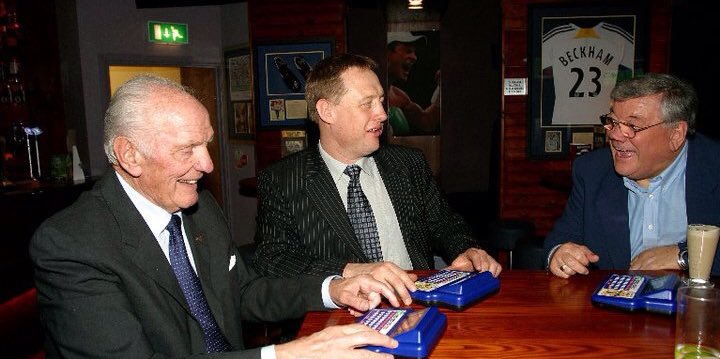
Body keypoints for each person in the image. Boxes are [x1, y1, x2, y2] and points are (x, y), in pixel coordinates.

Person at [29, 75, 414, 359]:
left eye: (207, 143)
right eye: (187, 149)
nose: (208, 164)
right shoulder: (71, 244)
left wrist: (332, 289)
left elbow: (242, 293)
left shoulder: (197, 207)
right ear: (129, 154)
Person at [253, 53, 501, 290]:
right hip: (337, 323)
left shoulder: (408, 164)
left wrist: (467, 249)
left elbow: (445, 225)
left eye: (381, 101)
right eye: (367, 104)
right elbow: (273, 259)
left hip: (416, 305)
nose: (382, 114)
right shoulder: (282, 180)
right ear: (327, 111)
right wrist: (350, 271)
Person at [544, 73, 720, 278]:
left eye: (633, 126)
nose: (615, 135)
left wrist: (684, 256)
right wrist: (559, 254)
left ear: (676, 134)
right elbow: (561, 239)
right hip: (617, 306)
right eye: (613, 122)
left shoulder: (713, 166)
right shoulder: (592, 171)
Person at [386, 31, 441, 135]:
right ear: (387, 53)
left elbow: (427, 122)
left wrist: (441, 87)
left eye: (414, 53)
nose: (414, 57)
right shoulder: (360, 91)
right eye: (408, 51)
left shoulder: (399, 97)